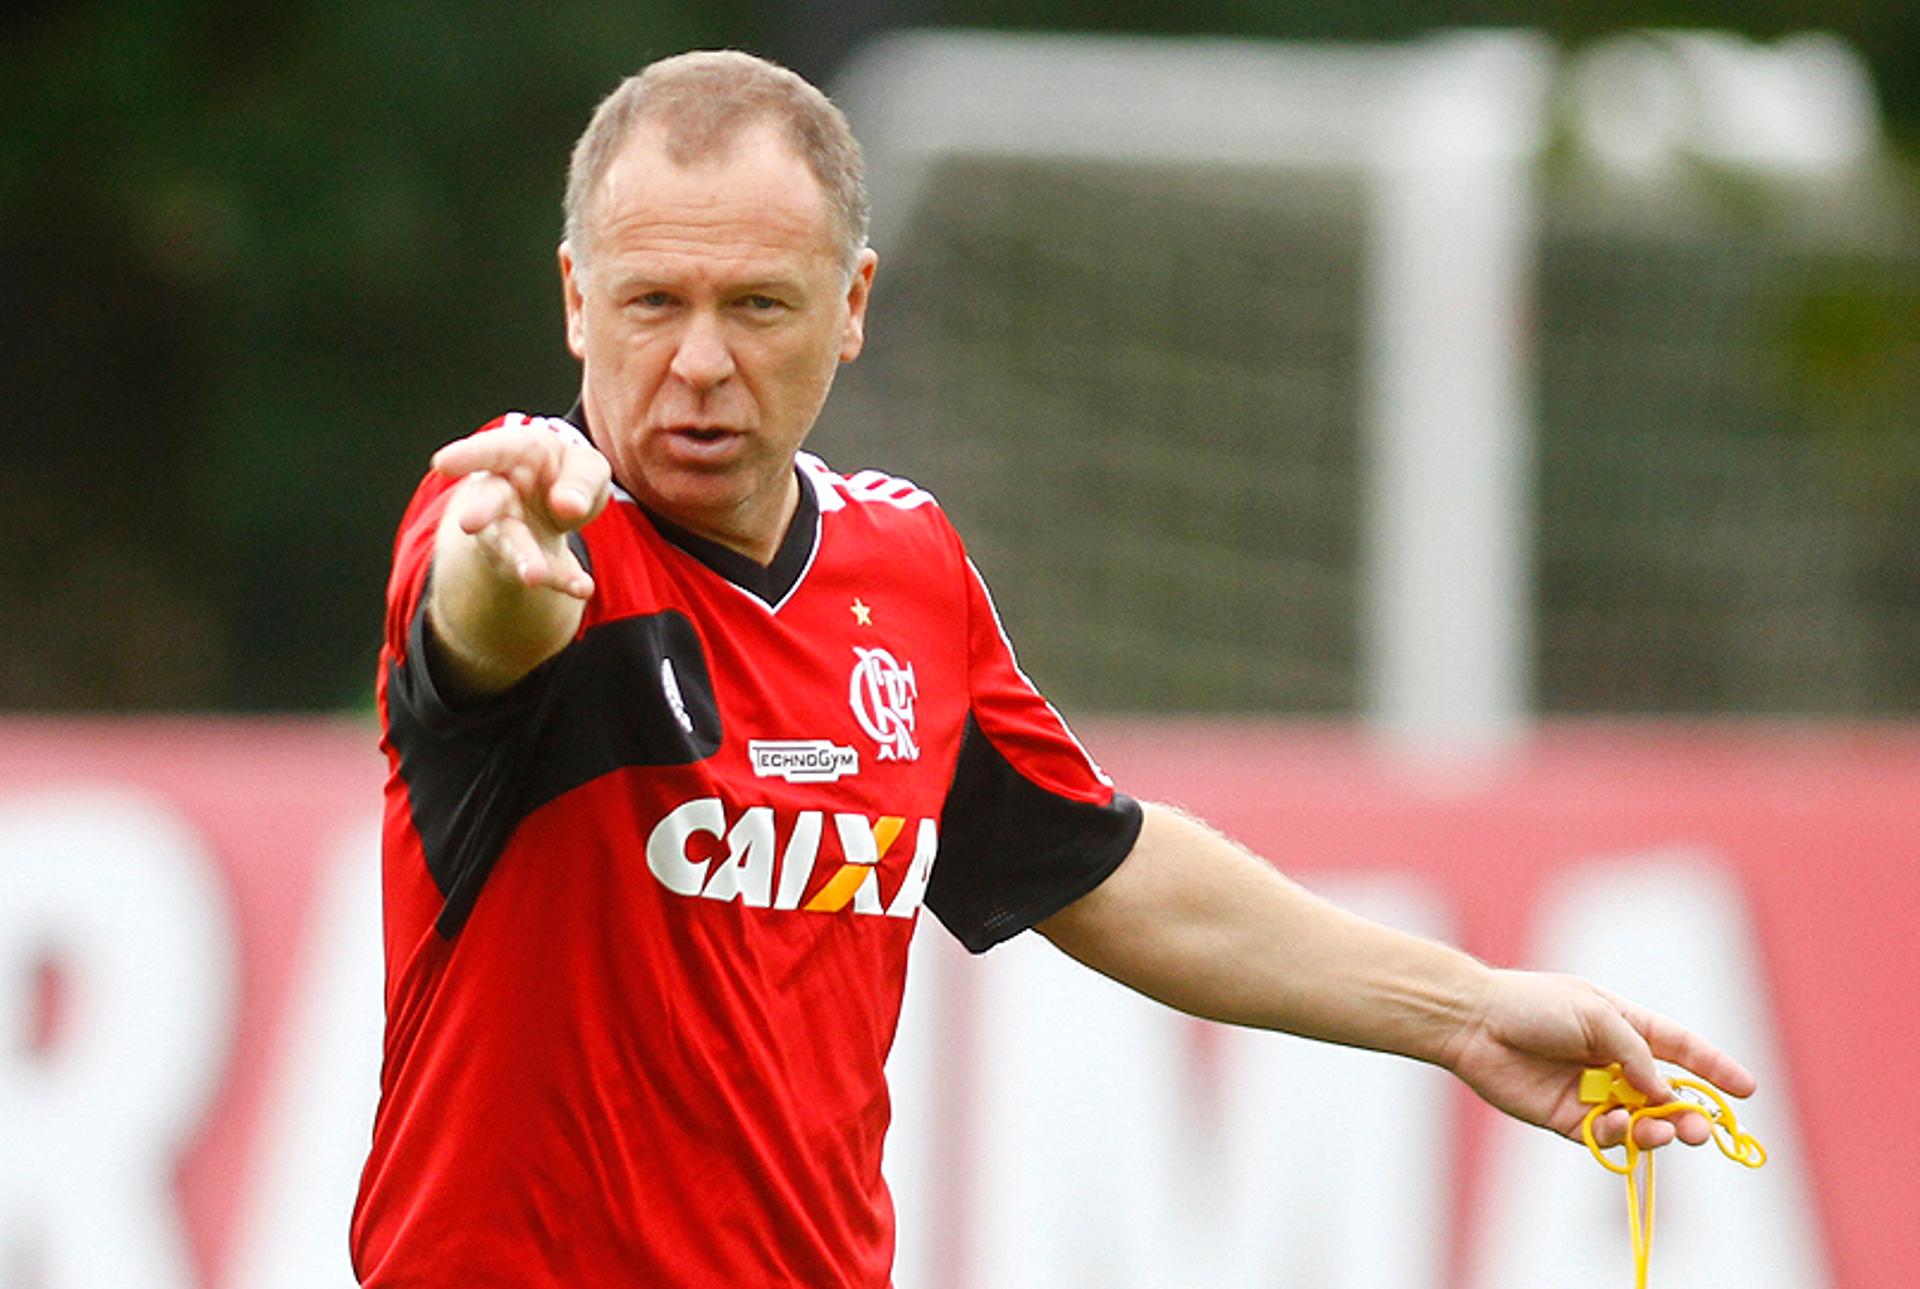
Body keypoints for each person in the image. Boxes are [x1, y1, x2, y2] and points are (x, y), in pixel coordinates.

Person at [353, 49, 1754, 1288]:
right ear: (575, 302)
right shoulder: (517, 516)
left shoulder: (902, 569)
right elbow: (482, 625)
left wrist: (1462, 1010)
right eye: (654, 300)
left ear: (851, 305)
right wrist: (511, 556)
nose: (703, 361)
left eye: (760, 305)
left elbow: (1099, 867)